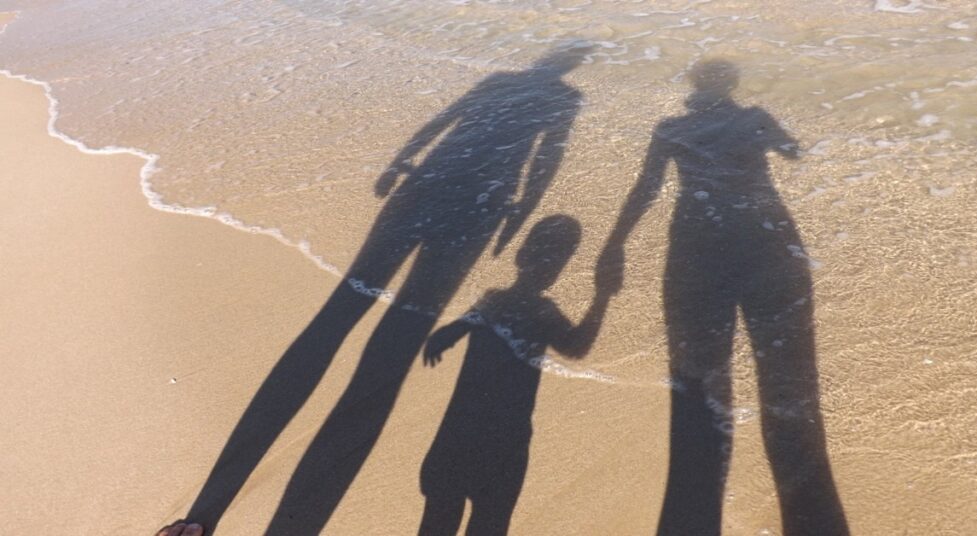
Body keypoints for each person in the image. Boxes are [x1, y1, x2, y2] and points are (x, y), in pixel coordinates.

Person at [187, 43, 590, 535]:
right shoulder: (564, 100)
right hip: (480, 205)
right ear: (572, 66)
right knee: (404, 327)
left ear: (542, 58)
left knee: (342, 310)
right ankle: (345, 430)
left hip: (425, 184)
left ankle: (242, 481)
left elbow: (448, 120)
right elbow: (548, 155)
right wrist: (523, 209)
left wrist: (402, 160)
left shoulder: (502, 81)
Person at [599, 60, 848, 535]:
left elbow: (647, 188)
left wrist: (616, 243)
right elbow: (794, 152)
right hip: (765, 236)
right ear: (733, 85)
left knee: (700, 373)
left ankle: (708, 451)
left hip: (698, 241)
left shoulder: (671, 129)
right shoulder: (754, 118)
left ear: (692, 87)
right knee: (786, 371)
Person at [417, 215, 616, 536]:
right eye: (555, 259)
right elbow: (577, 346)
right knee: (486, 522)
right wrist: (601, 297)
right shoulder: (540, 312)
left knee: (440, 518)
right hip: (504, 441)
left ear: (521, 255)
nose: (551, 267)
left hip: (463, 432)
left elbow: (451, 332)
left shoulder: (494, 302)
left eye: (558, 259)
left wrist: (442, 336)